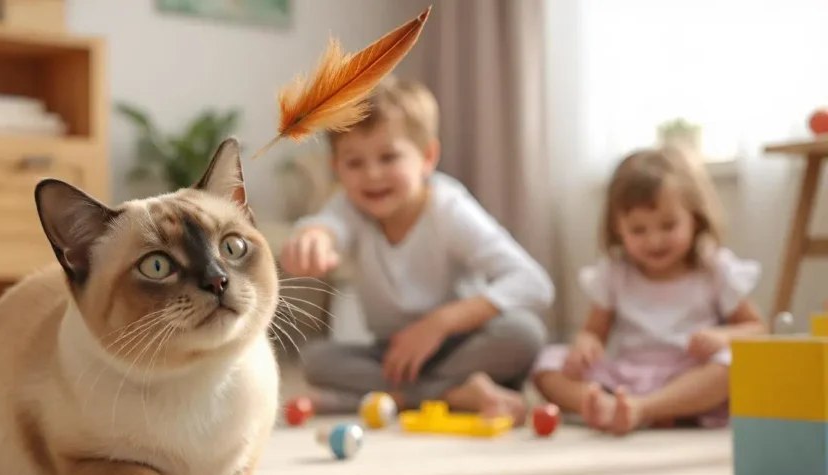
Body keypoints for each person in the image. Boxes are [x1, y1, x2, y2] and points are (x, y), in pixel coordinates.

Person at [279, 76, 554, 425]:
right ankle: (453, 394)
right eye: (354, 163)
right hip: (393, 355)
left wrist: (440, 323)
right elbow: (326, 226)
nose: (372, 175)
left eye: (388, 157)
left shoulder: (448, 208)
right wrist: (312, 237)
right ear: (337, 169)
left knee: (523, 334)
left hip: (462, 343)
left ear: (427, 157)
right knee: (316, 360)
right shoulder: (348, 207)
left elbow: (534, 283)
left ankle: (394, 397)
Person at [531, 145, 766, 435]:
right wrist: (585, 345)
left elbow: (757, 329)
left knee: (734, 364)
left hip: (690, 377)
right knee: (548, 362)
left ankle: (643, 409)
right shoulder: (615, 272)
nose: (654, 240)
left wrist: (723, 336)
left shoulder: (713, 268)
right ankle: (604, 405)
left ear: (695, 217)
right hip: (627, 375)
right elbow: (593, 332)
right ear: (618, 229)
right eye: (638, 230)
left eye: (668, 225)